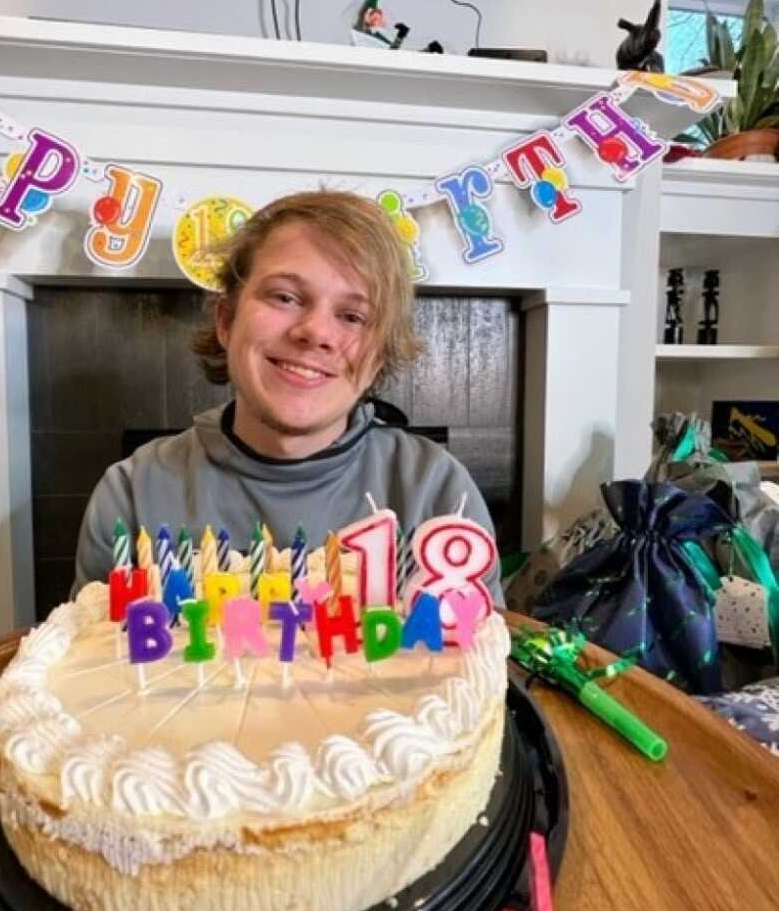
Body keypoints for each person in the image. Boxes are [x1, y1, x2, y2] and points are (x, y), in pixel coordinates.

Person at [72, 189, 503, 603]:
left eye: (353, 316)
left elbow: (477, 658)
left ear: (379, 358)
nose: (315, 332)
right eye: (285, 296)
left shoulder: (438, 492)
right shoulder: (133, 493)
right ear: (226, 320)